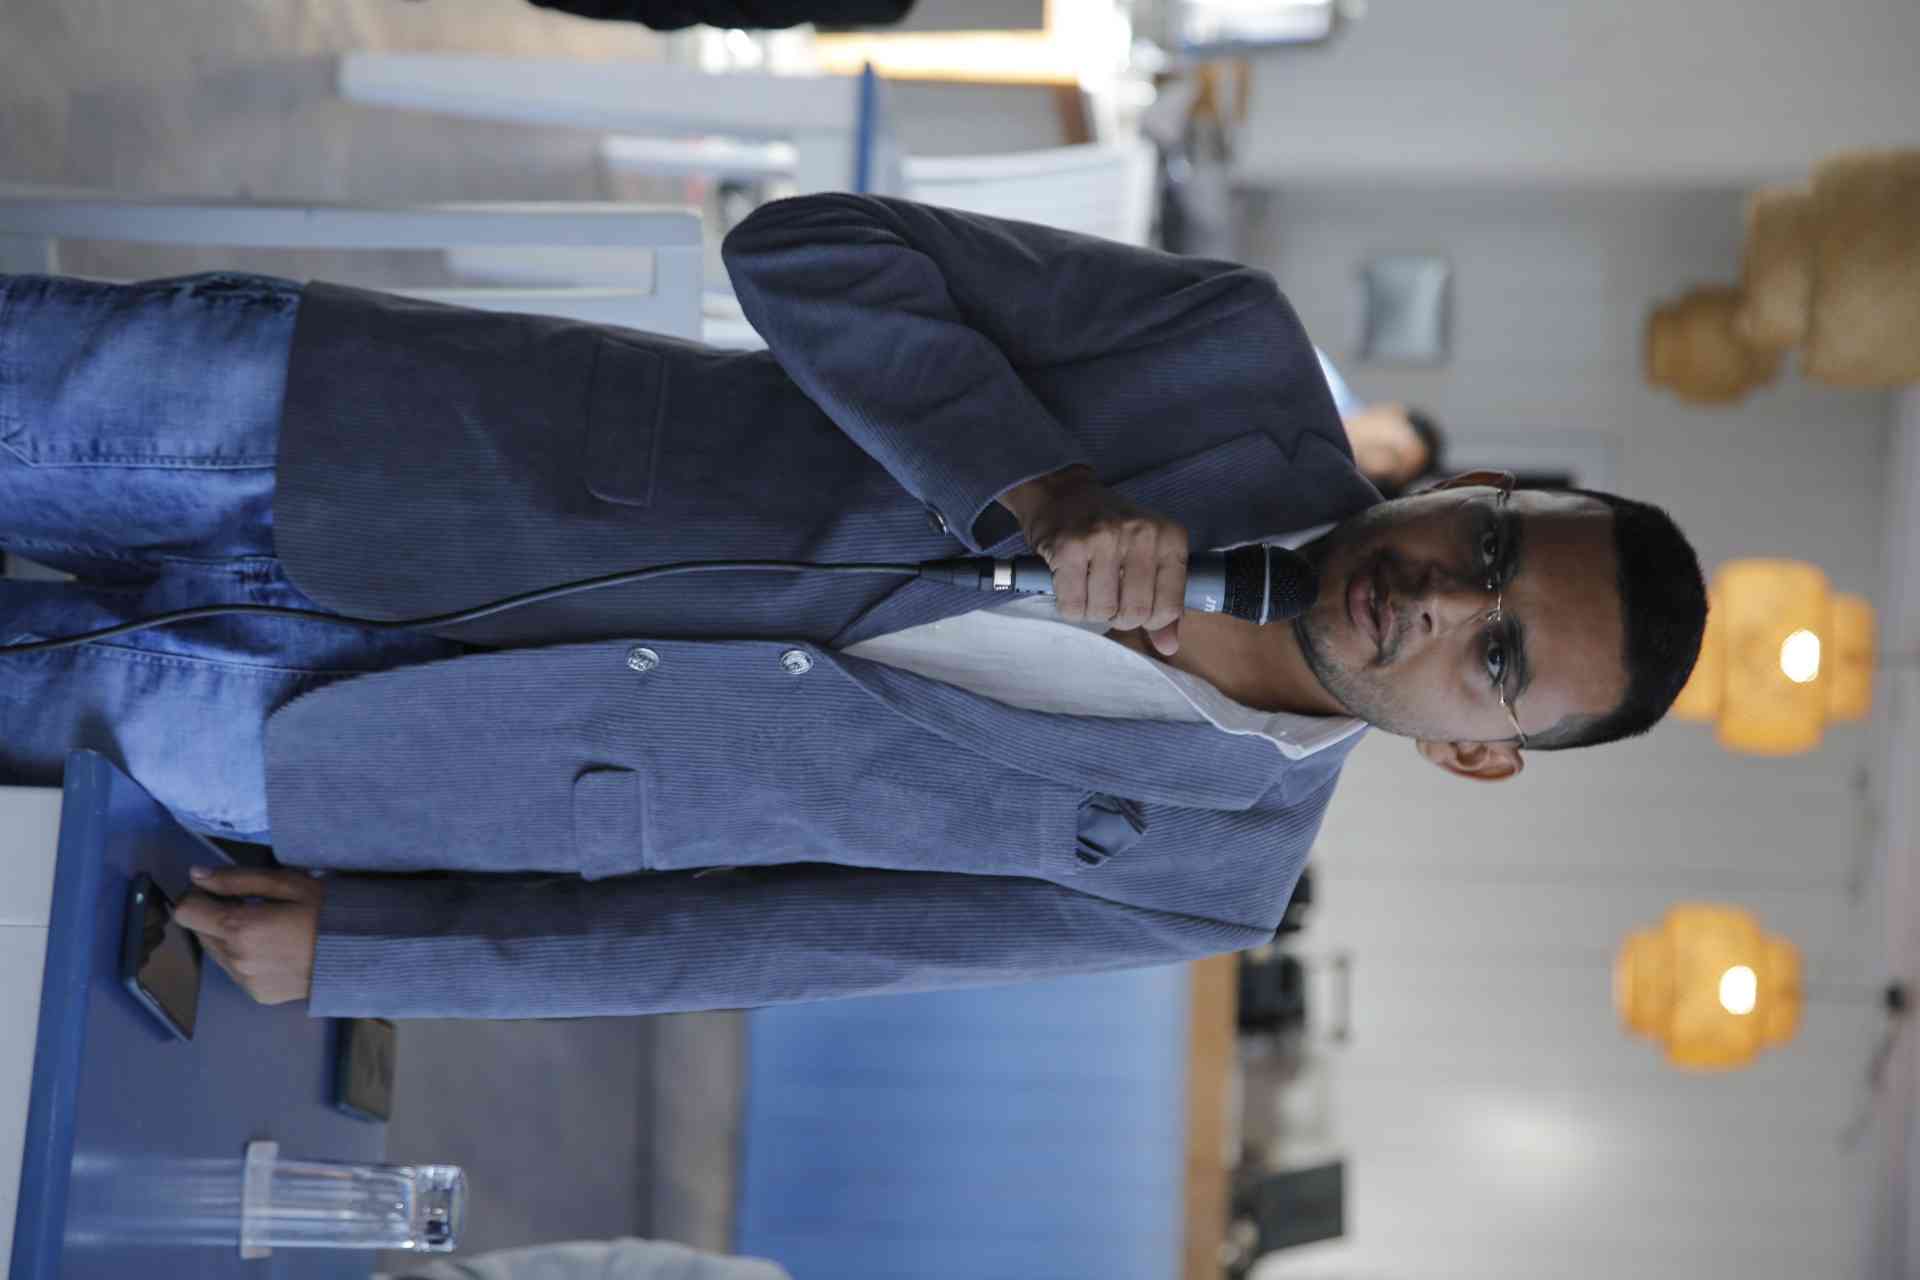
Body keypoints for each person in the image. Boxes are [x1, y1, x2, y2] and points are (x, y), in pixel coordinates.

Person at [0, 194, 1707, 1020]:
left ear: (1480, 754)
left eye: (1496, 657)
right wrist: (1043, 488)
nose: (1441, 596)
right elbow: (808, 253)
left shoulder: (1207, 879)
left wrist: (382, 952)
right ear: (1483, 487)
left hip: (372, 750)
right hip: (356, 436)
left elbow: (772, 936)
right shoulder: (1230, 361)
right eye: (1494, 544)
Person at [1314, 348, 1448, 497]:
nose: (1380, 465)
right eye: (1392, 453)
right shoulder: (1317, 373)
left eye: (1388, 477)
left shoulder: (1317, 485)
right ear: (1392, 412)